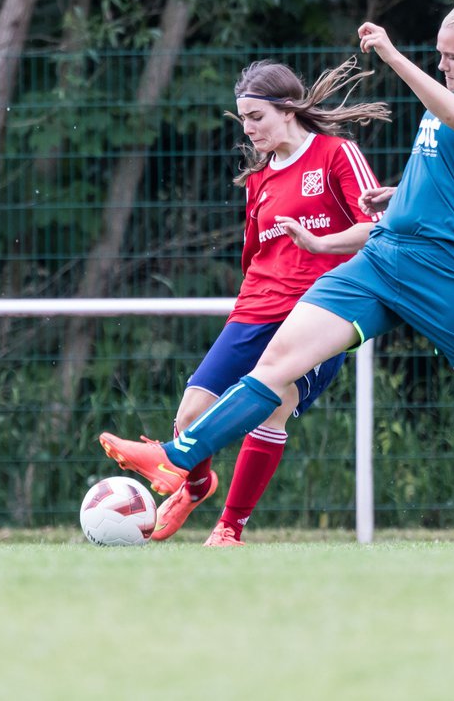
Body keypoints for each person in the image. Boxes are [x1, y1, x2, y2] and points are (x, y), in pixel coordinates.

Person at [101, 0, 454, 545]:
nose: (443, 64)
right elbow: (446, 166)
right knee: (279, 361)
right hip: (382, 258)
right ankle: (177, 459)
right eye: (438, 56)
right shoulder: (449, 98)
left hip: (446, 274)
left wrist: (392, 55)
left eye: (452, 57)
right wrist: (397, 197)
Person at [146, 57, 389, 546]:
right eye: (243, 119)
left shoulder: (336, 154)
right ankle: (196, 486)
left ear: (287, 110)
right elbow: (257, 253)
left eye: (256, 117)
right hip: (256, 307)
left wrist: (321, 247)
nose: (249, 128)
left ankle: (230, 529)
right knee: (190, 414)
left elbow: (377, 227)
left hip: (319, 311)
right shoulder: (260, 177)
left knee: (272, 406)